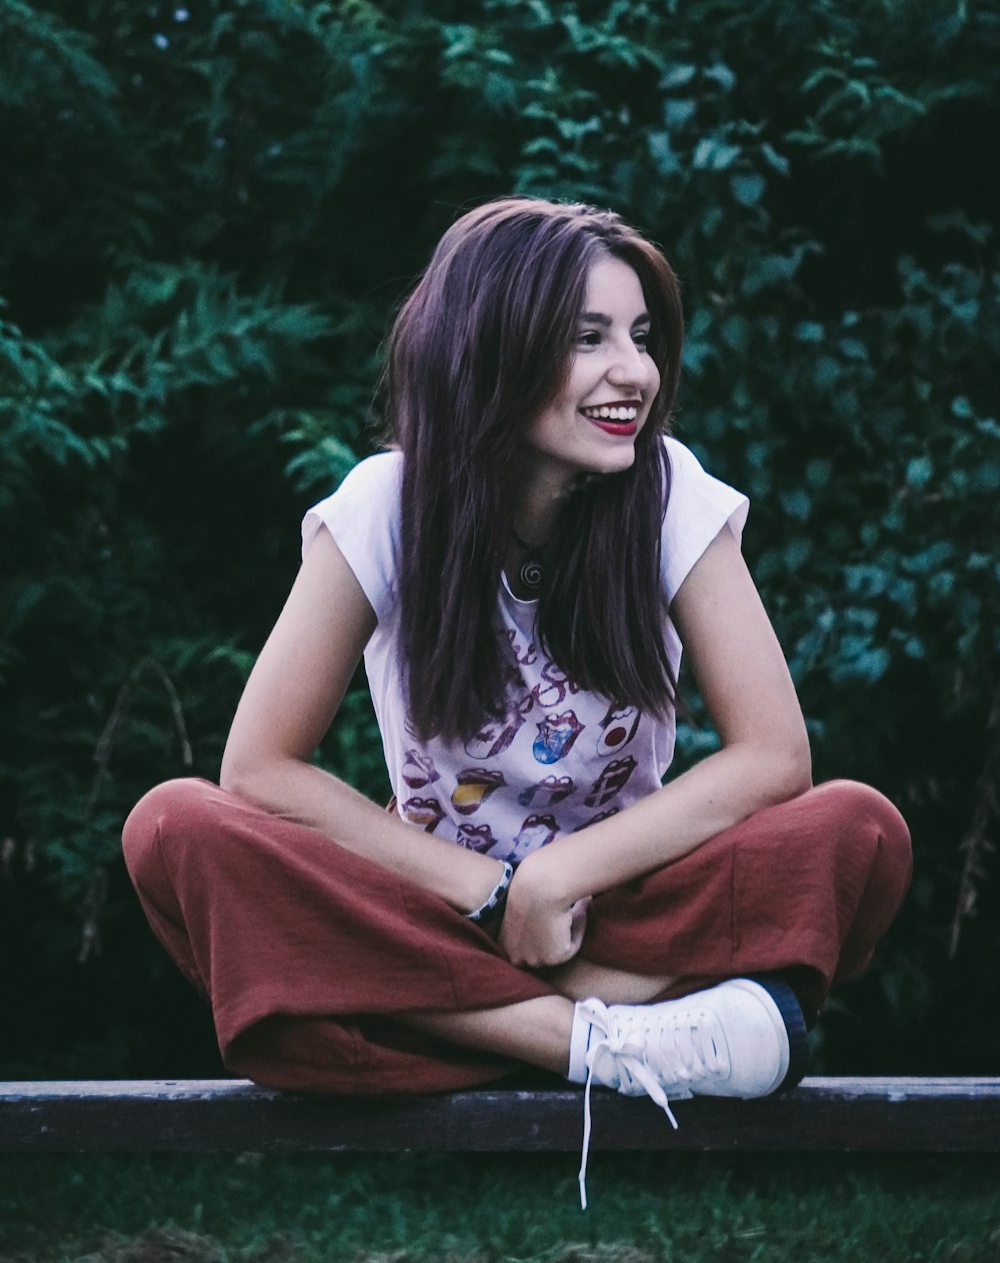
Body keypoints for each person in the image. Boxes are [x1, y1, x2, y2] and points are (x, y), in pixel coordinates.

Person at [123, 197, 912, 1206]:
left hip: (619, 919)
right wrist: (491, 893)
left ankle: (442, 1027)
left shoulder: (668, 492)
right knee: (173, 827)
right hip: (434, 916)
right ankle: (601, 1043)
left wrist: (554, 881)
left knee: (858, 830)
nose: (633, 370)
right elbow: (261, 771)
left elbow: (772, 758)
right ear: (490, 352)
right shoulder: (381, 506)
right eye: (587, 339)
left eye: (639, 337)